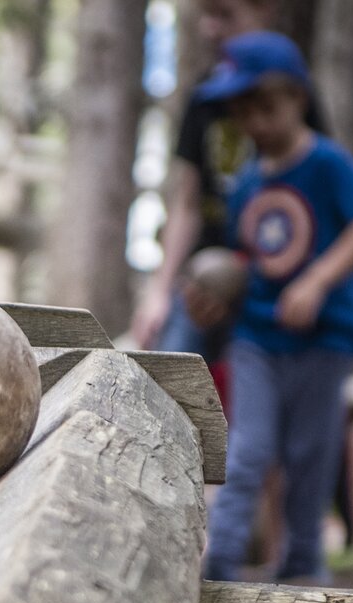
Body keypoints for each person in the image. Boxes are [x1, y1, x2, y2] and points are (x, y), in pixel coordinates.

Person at [192, 32, 353, 583]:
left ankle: (301, 568)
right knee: (248, 450)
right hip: (259, 337)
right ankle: (218, 568)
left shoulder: (328, 164)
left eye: (268, 107)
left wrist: (316, 281)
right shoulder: (247, 182)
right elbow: (256, 257)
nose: (258, 124)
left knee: (309, 457)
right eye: (245, 112)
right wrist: (215, 285)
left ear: (298, 98)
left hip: (325, 339)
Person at [129, 0, 325, 370]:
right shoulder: (205, 97)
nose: (210, 28)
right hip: (200, 279)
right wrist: (160, 291)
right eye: (207, 15)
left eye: (225, 15)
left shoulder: (293, 93)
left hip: (271, 287)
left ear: (265, 10)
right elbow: (185, 202)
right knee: (169, 369)